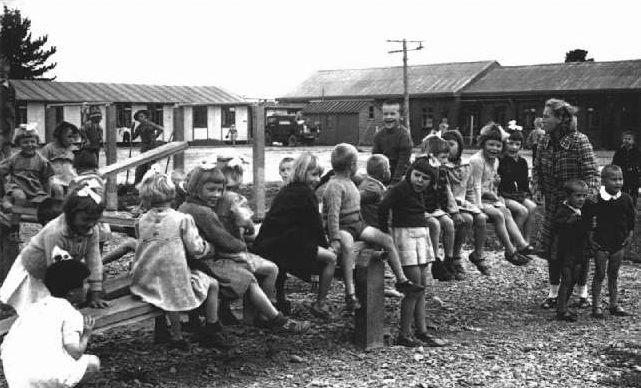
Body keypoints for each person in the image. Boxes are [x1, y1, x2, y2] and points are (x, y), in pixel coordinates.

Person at [178, 165, 309, 332]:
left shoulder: (185, 206)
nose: (217, 195)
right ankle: (276, 320)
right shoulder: (204, 212)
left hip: (197, 260)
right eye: (211, 189)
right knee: (249, 278)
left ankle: (271, 318)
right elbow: (224, 240)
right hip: (207, 263)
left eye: (219, 190)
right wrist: (242, 245)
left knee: (249, 277)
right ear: (196, 188)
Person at [130, 171, 233, 351]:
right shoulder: (182, 219)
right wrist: (209, 247)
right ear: (172, 195)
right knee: (212, 284)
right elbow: (196, 249)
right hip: (171, 280)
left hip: (143, 278)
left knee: (164, 278)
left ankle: (162, 329)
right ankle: (210, 327)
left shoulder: (141, 221)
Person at [323, 143, 424, 311]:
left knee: (386, 239)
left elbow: (361, 191)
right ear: (352, 166)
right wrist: (334, 238)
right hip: (342, 226)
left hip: (357, 224)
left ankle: (401, 280)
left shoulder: (349, 180)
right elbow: (332, 214)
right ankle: (350, 293)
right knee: (347, 246)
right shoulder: (335, 185)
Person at [532, 98, 600, 309]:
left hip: (577, 207)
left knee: (580, 251)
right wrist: (537, 189)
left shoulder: (579, 141)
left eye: (546, 116)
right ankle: (553, 293)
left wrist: (584, 201)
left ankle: (582, 294)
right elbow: (536, 169)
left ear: (561, 118)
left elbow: (592, 174)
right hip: (554, 205)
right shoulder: (543, 141)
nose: (542, 120)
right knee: (554, 249)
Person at [0, 186, 110, 315]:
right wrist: (62, 304)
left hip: (59, 265)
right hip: (37, 270)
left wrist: (95, 292)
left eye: (95, 220)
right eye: (85, 219)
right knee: (37, 309)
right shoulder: (55, 233)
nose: (91, 224)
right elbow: (57, 275)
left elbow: (94, 260)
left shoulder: (92, 230)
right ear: (70, 215)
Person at [253, 153, 338, 318]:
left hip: (268, 243)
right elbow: (315, 226)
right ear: (302, 172)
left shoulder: (288, 190)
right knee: (331, 259)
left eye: (319, 175)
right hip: (284, 245)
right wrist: (326, 246)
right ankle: (320, 303)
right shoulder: (307, 194)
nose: (316, 179)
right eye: (314, 174)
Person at [378, 157, 446, 348]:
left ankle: (421, 330)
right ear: (410, 173)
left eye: (425, 178)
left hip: (420, 236)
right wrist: (385, 232)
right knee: (414, 288)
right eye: (417, 175)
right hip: (406, 238)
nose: (419, 180)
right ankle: (405, 333)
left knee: (422, 287)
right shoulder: (400, 189)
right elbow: (383, 207)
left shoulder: (419, 193)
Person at [1, 260, 101, 387]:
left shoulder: (35, 306)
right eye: (85, 283)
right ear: (72, 292)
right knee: (93, 363)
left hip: (14, 374)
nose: (88, 287)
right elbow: (75, 353)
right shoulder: (71, 313)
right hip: (42, 377)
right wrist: (86, 334)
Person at [469, 124, 532, 267]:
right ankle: (511, 251)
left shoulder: (495, 160)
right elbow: (476, 186)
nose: (494, 149)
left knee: (506, 212)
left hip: (488, 197)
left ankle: (521, 244)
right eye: (491, 144)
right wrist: (479, 207)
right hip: (475, 198)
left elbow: (489, 183)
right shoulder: (477, 160)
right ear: (483, 144)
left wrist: (495, 187)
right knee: (498, 215)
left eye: (498, 146)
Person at [585, 165, 635, 318]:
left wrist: (630, 234)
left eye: (620, 179)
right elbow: (587, 221)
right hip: (601, 243)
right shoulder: (596, 200)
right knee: (599, 274)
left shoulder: (626, 199)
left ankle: (614, 304)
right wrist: (590, 239)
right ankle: (596, 306)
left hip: (618, 243)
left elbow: (631, 220)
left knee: (613, 274)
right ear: (604, 181)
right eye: (614, 179)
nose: (618, 182)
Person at [441, 130, 490, 275]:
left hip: (462, 203)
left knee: (481, 217)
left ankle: (478, 254)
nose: (448, 148)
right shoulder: (442, 166)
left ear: (460, 146)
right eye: (444, 145)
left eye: (451, 144)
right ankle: (455, 257)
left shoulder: (466, 165)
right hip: (447, 204)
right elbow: (445, 191)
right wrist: (455, 210)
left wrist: (475, 206)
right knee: (466, 219)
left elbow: (469, 189)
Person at [0, 125, 56, 239]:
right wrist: (5, 186)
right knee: (20, 197)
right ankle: (14, 229)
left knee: (45, 204)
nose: (29, 145)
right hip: (18, 187)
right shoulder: (14, 158)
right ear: (19, 144)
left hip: (35, 189)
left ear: (37, 143)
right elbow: (2, 171)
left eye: (32, 142)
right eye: (25, 142)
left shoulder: (42, 160)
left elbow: (46, 179)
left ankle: (47, 228)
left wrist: (48, 195)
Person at [423, 137, 464, 281]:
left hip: (435, 208)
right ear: (432, 156)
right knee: (434, 225)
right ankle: (436, 261)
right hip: (422, 209)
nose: (446, 161)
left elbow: (447, 192)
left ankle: (449, 258)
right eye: (443, 157)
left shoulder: (441, 170)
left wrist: (455, 211)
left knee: (449, 223)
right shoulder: (421, 169)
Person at [552, 180, 591, 322]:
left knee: (574, 278)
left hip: (579, 251)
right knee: (567, 279)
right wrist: (571, 220)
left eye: (584, 196)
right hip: (566, 252)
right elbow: (558, 227)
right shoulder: (563, 211)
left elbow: (584, 231)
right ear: (568, 196)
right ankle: (561, 310)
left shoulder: (581, 211)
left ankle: (564, 305)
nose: (581, 199)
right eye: (578, 196)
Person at [498, 130, 537, 244]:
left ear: (521, 146)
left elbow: (524, 183)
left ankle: (527, 240)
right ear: (505, 144)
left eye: (517, 144)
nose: (513, 147)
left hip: (517, 195)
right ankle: (513, 243)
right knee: (522, 211)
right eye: (510, 143)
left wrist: (527, 194)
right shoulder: (501, 161)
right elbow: (502, 184)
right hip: (504, 195)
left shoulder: (522, 162)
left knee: (532, 207)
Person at [69, 149, 111, 253]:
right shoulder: (100, 180)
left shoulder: (76, 181)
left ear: (77, 168)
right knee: (97, 246)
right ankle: (98, 264)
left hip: (81, 218)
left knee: (79, 246)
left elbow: (69, 201)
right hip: (98, 217)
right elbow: (103, 201)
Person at [372, 100, 413, 185]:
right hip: (384, 175)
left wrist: (394, 183)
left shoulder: (404, 136)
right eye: (385, 114)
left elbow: (402, 163)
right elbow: (375, 160)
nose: (388, 117)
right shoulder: (378, 135)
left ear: (401, 116)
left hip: (401, 175)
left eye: (392, 114)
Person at [40, 121, 82, 199]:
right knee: (58, 190)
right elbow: (42, 167)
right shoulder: (49, 148)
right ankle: (58, 209)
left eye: (74, 137)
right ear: (59, 136)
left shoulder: (75, 149)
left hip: (70, 180)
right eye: (69, 137)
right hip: (54, 180)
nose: (72, 140)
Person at [132, 109, 164, 185]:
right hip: (144, 147)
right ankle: (138, 182)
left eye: (142, 116)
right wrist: (132, 128)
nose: (140, 118)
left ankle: (153, 183)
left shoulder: (150, 124)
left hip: (152, 146)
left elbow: (161, 129)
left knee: (152, 165)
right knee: (141, 166)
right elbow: (133, 137)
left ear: (145, 117)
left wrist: (155, 137)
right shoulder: (139, 127)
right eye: (139, 117)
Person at [612, 130, 641, 207]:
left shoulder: (637, 151)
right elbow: (615, 161)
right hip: (623, 174)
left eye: (629, 139)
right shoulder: (620, 150)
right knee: (623, 190)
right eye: (625, 139)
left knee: (634, 192)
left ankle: (632, 206)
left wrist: (636, 168)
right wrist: (614, 169)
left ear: (633, 141)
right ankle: (624, 206)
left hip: (634, 175)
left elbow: (638, 161)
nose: (626, 141)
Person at [0, 58, 16, 159]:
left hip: (8, 124)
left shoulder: (10, 87)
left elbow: (12, 105)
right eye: (1, 72)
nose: (3, 74)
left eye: (5, 72)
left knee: (7, 155)